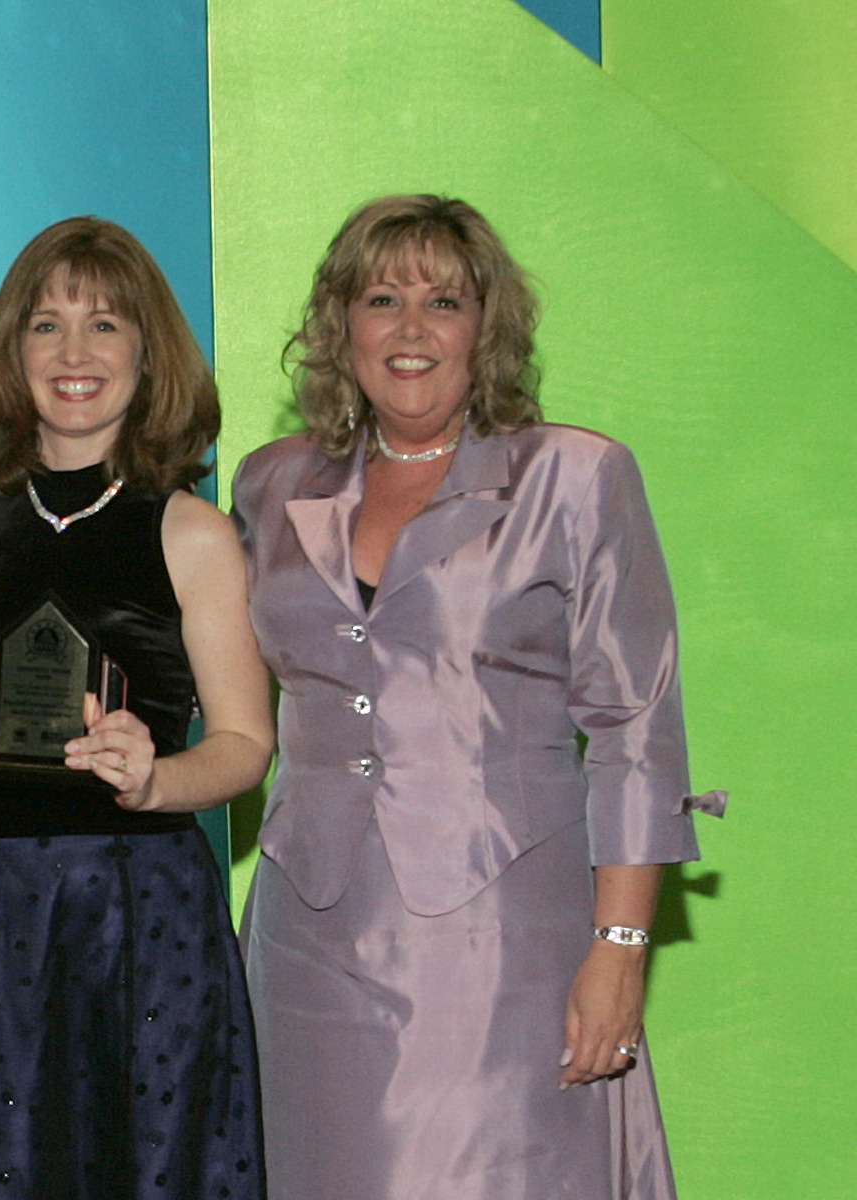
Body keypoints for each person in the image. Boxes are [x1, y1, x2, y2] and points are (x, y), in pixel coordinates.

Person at [233, 194, 724, 1199]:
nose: (410, 329)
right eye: (382, 300)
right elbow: (226, 685)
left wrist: (621, 949)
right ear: (341, 326)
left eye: (443, 302)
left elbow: (635, 725)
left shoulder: (575, 477)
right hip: (307, 941)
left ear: (485, 328)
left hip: (508, 948)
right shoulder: (271, 484)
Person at [0, 217, 274, 1199]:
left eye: (104, 324)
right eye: (47, 324)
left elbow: (245, 742)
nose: (74, 353)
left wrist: (158, 780)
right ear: (11, 349)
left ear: (148, 354)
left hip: (137, 911)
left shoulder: (192, 533)